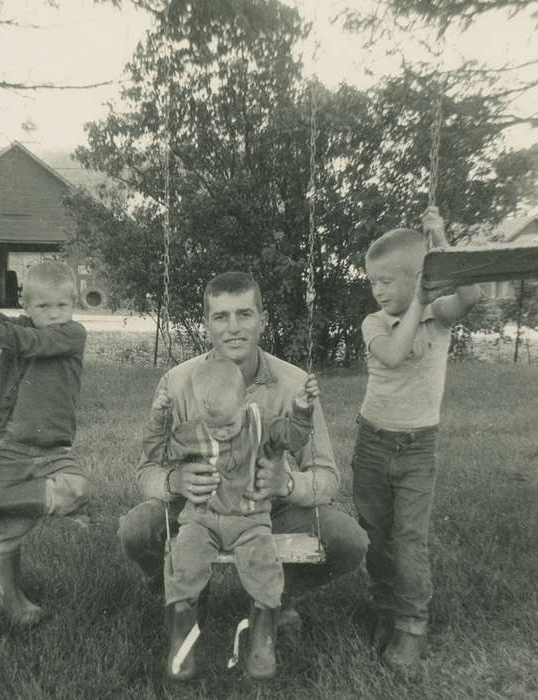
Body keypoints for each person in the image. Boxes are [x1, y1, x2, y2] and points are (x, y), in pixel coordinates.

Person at [119, 271, 368, 671]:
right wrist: (174, 481)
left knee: (348, 539)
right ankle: (186, 598)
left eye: (244, 314)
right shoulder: (179, 382)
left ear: (263, 319)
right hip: (197, 506)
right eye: (221, 317)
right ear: (207, 322)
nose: (233, 328)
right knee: (136, 528)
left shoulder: (294, 384)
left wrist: (285, 483)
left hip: (264, 506)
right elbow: (148, 466)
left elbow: (327, 477)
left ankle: (275, 601)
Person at [353, 206, 481, 671]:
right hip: (371, 443)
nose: (378, 289)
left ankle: (411, 625)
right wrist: (416, 304)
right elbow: (393, 354)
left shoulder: (439, 315)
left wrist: (440, 242)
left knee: (409, 539)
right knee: (376, 533)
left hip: (417, 447)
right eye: (372, 282)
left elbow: (471, 291)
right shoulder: (374, 324)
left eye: (387, 280)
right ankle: (385, 609)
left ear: (417, 276)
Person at [144, 357, 319, 680]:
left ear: (244, 403)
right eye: (214, 426)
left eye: (228, 424)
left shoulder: (262, 422)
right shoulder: (193, 431)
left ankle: (262, 638)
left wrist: (301, 409)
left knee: (264, 569)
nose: (221, 433)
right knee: (184, 562)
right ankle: (182, 639)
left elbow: (294, 438)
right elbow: (158, 451)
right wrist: (160, 416)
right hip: (202, 518)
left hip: (251, 521)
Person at [0, 259, 92, 626]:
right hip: (8, 445)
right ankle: (12, 599)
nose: (55, 314)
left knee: (75, 490)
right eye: (44, 306)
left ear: (73, 305)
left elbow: (32, 342)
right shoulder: (19, 327)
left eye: (62, 305)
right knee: (13, 528)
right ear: (26, 307)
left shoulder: (71, 335)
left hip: (53, 450)